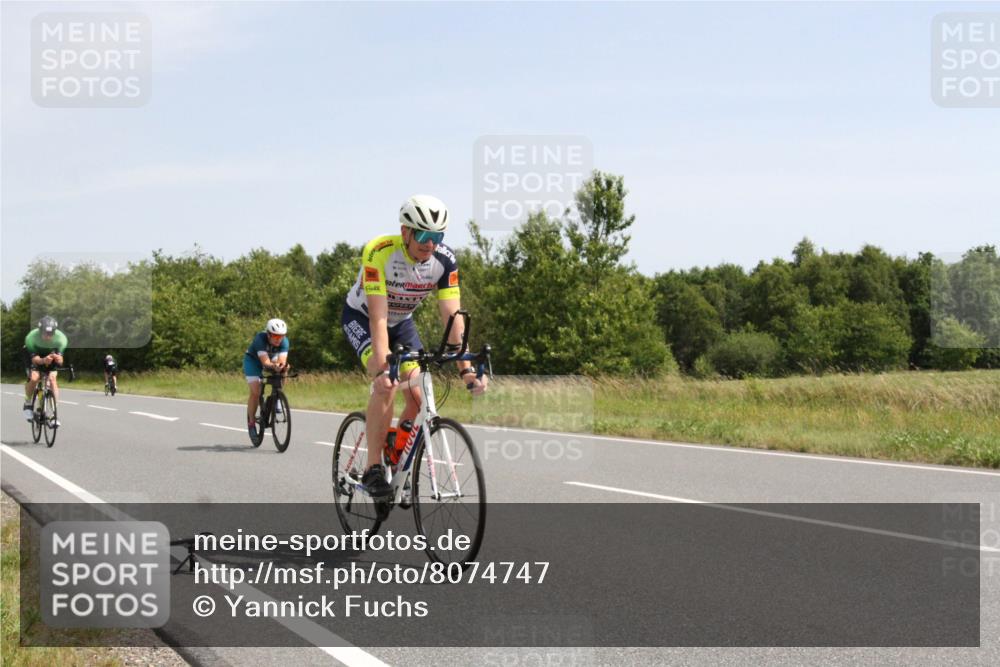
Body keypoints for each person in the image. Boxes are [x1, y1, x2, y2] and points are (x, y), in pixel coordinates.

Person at [341, 194, 488, 498]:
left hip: (403, 323)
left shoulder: (444, 260)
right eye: (423, 235)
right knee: (387, 385)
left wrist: (466, 369)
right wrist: (384, 368)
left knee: (419, 395)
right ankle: (373, 470)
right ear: (405, 231)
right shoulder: (379, 252)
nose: (429, 243)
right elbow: (379, 320)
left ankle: (397, 451)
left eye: (437, 236)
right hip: (363, 317)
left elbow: (452, 317)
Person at [243, 318, 290, 435]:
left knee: (285, 368)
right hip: (253, 361)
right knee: (256, 392)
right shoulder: (260, 339)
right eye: (276, 336)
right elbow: (265, 363)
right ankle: (252, 423)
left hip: (271, 358)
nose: (279, 339)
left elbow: (281, 360)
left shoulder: (285, 342)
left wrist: (281, 366)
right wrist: (275, 366)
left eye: (282, 336)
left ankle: (278, 396)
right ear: (268, 334)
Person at [23, 316, 68, 421]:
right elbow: (35, 359)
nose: (48, 336)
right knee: (34, 378)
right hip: (35, 356)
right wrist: (43, 360)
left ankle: (53, 414)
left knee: (52, 379)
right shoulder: (31, 337)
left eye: (51, 334)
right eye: (45, 333)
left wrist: (58, 358)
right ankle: (28, 403)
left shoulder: (61, 338)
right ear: (40, 331)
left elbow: (61, 361)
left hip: (50, 354)